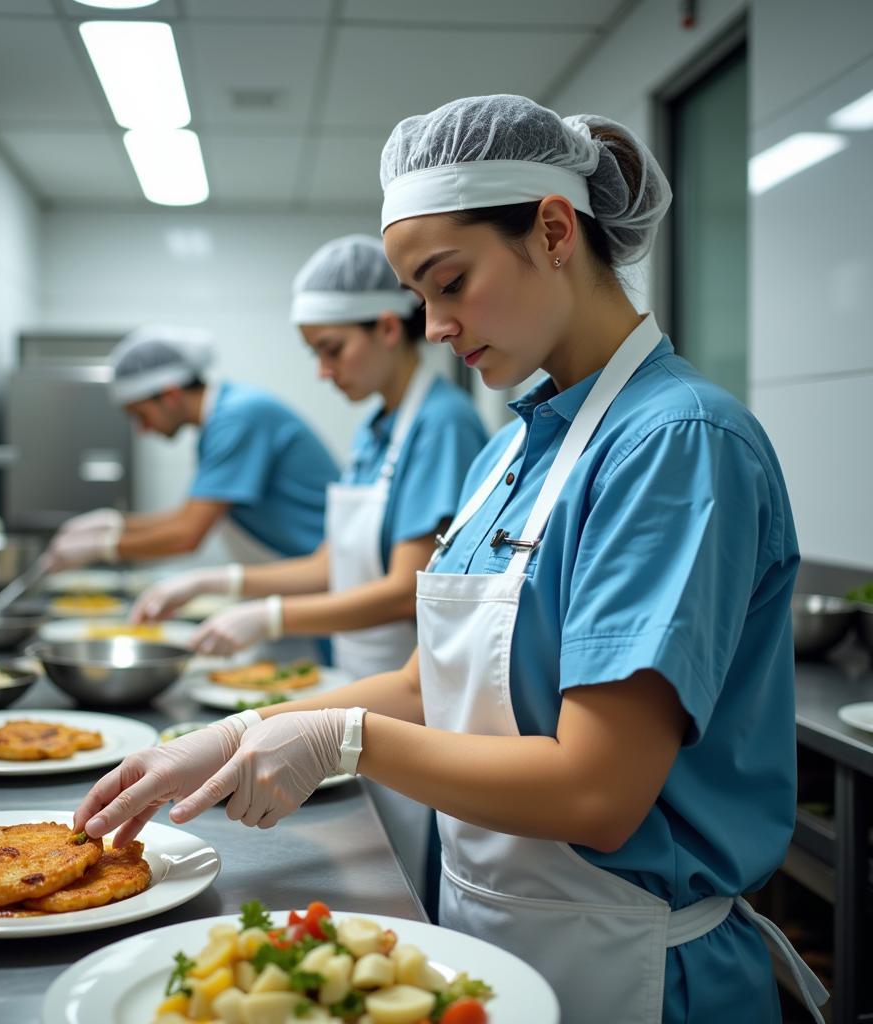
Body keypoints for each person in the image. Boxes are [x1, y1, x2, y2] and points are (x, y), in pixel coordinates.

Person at [73, 95, 828, 1024]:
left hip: (636, 968)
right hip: (495, 941)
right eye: (419, 296)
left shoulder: (677, 443)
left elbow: (598, 792)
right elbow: (430, 681)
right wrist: (238, 731)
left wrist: (346, 739)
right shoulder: (510, 449)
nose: (433, 326)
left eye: (449, 282)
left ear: (554, 229)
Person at [131, 235, 488, 896]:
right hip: (355, 684)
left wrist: (269, 614)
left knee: (397, 879)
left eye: (331, 350)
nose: (324, 372)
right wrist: (226, 583)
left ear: (387, 328)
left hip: (402, 704)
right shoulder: (379, 428)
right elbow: (335, 561)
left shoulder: (442, 424)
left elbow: (398, 592)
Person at [43, 326, 340, 572]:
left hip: (323, 579)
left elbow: (187, 534)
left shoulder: (237, 418)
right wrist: (116, 524)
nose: (142, 429)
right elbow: (186, 516)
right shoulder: (222, 418)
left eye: (141, 415)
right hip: (300, 576)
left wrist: (104, 547)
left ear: (170, 394)